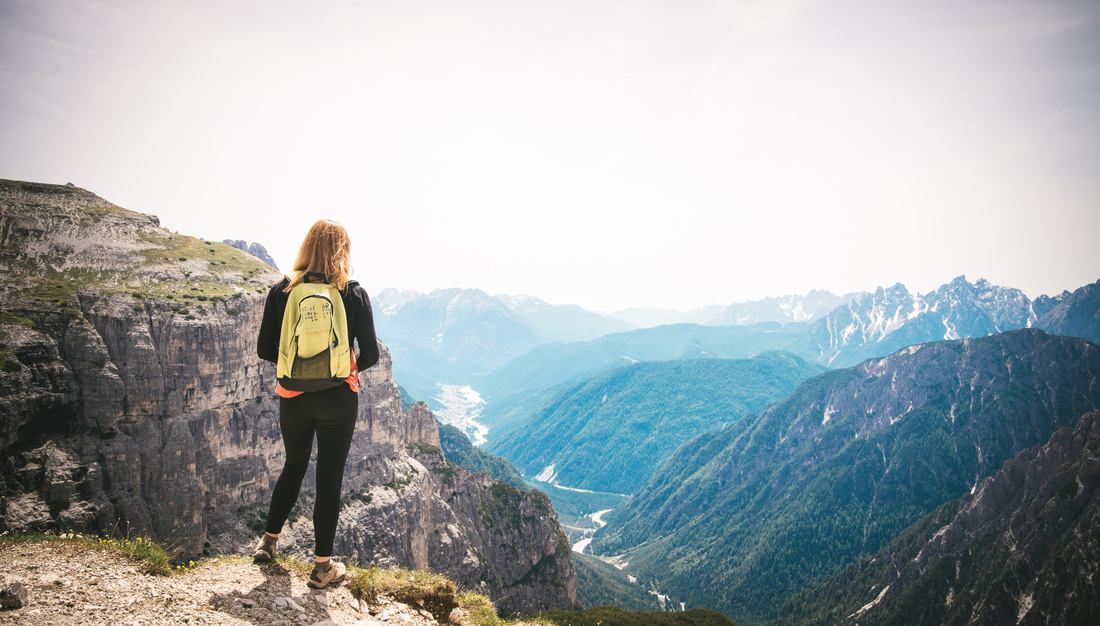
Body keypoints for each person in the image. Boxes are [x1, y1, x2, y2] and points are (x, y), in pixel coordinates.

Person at [253, 219, 379, 589]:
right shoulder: (352, 293)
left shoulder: (282, 291)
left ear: (306, 248)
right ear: (343, 252)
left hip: (293, 397)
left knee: (293, 465)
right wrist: (345, 367)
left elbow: (265, 350)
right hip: (339, 399)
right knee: (329, 477)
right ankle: (323, 567)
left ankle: (269, 542)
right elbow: (370, 353)